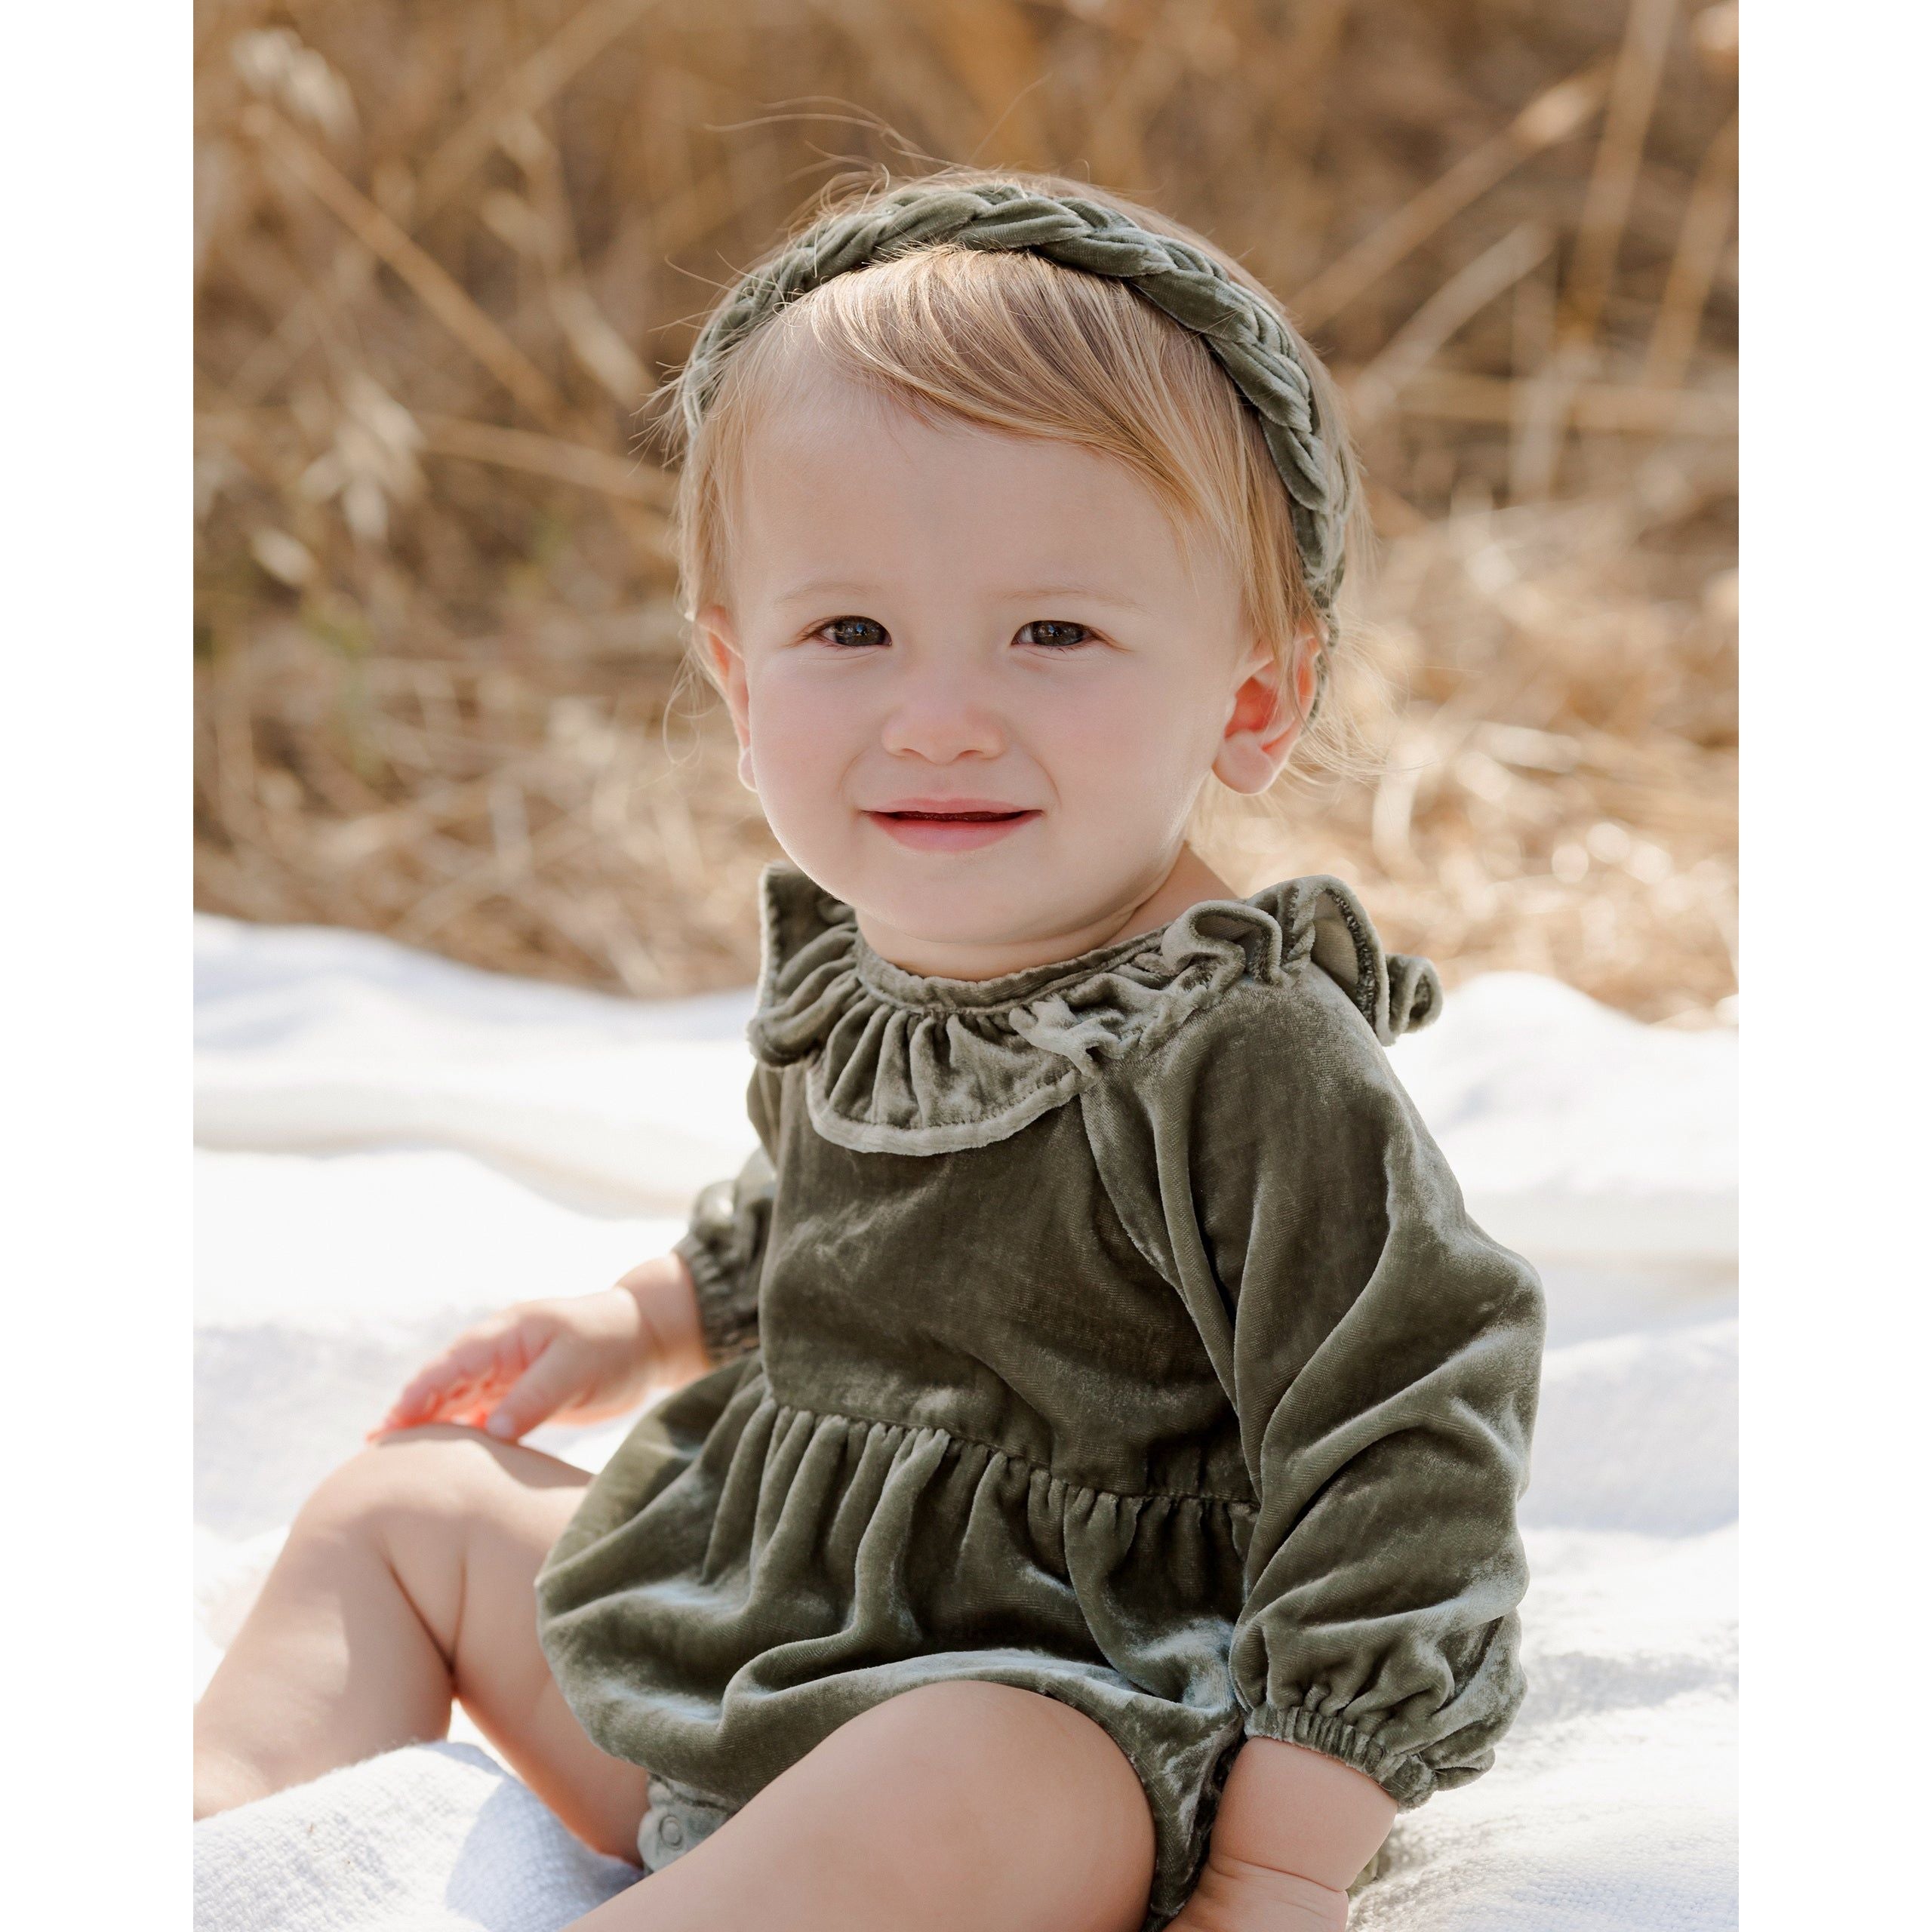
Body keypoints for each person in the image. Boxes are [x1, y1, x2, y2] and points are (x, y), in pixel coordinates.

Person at [194, 168, 1546, 1932]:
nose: (939, 713)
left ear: (1250, 698)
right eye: (849, 631)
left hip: (1077, 1714)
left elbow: (1409, 1430)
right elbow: (839, 1206)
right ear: (739, 682)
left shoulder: (1250, 1053)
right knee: (403, 1508)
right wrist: (647, 1311)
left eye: (1052, 632)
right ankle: (213, 1854)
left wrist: (1274, 1871)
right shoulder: (868, 972)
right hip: (744, 1639)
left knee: (972, 1765)